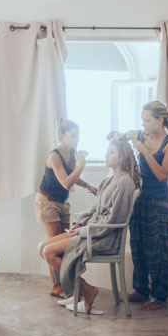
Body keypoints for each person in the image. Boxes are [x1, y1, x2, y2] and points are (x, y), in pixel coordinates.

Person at [37, 138, 140, 314]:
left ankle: (87, 290)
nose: (106, 154)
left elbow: (113, 220)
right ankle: (79, 291)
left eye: (112, 152)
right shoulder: (109, 180)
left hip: (102, 237)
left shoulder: (124, 183)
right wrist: (79, 225)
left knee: (49, 252)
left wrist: (84, 231)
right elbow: (94, 210)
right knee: (42, 247)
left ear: (122, 157)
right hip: (91, 230)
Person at [116, 100, 168, 312]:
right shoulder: (142, 135)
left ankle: (159, 296)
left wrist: (144, 151)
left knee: (157, 249)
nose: (143, 124)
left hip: (158, 201)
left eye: (147, 120)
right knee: (138, 247)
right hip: (138, 199)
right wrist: (118, 136)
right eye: (142, 120)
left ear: (160, 120)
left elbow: (162, 175)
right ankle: (141, 289)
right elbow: (125, 135)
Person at [35, 117, 97, 299]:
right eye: (72, 136)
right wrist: (82, 165)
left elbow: (72, 176)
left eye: (78, 136)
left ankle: (68, 285)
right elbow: (66, 183)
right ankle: (56, 286)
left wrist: (88, 186)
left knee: (64, 247)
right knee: (54, 245)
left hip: (62, 203)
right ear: (61, 136)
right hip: (47, 202)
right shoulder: (54, 156)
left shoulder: (72, 153)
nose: (76, 139)